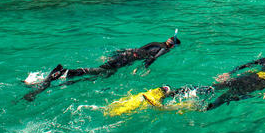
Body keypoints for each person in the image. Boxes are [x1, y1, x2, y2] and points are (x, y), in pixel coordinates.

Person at [22, 33, 181, 101]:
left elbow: (140, 48)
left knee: (104, 73)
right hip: (126, 59)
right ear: (172, 46)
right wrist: (144, 68)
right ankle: (67, 74)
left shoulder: (157, 43)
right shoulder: (164, 49)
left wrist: (117, 53)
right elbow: (153, 57)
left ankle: (66, 78)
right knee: (103, 72)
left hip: (126, 55)